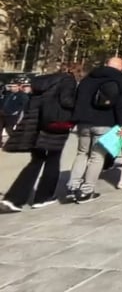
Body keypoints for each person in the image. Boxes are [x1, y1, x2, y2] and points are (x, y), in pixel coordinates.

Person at [0, 64, 80, 212]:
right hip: (54, 125)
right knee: (53, 160)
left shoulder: (41, 82)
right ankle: (43, 197)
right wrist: (80, 106)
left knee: (36, 161)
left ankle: (13, 199)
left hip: (36, 126)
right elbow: (66, 101)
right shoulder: (68, 81)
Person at [67, 57, 122, 203]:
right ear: (121, 66)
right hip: (105, 122)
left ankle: (73, 186)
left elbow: (78, 99)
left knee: (82, 153)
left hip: (84, 122)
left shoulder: (88, 78)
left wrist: (75, 119)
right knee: (97, 157)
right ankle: (87, 191)